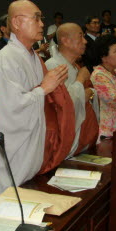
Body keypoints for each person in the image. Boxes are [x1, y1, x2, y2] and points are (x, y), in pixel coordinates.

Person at [0, 0, 72, 198]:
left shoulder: (34, 56)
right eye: (36, 18)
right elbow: (9, 109)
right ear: (16, 22)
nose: (42, 24)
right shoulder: (4, 59)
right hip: (17, 152)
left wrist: (53, 87)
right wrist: (44, 89)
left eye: (41, 19)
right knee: (14, 206)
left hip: (35, 149)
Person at [46, 23, 99, 157]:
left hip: (84, 137)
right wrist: (80, 81)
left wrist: (92, 93)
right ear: (65, 40)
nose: (85, 41)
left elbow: (89, 95)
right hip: (65, 141)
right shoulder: (53, 66)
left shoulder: (75, 66)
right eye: (80, 37)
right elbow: (61, 105)